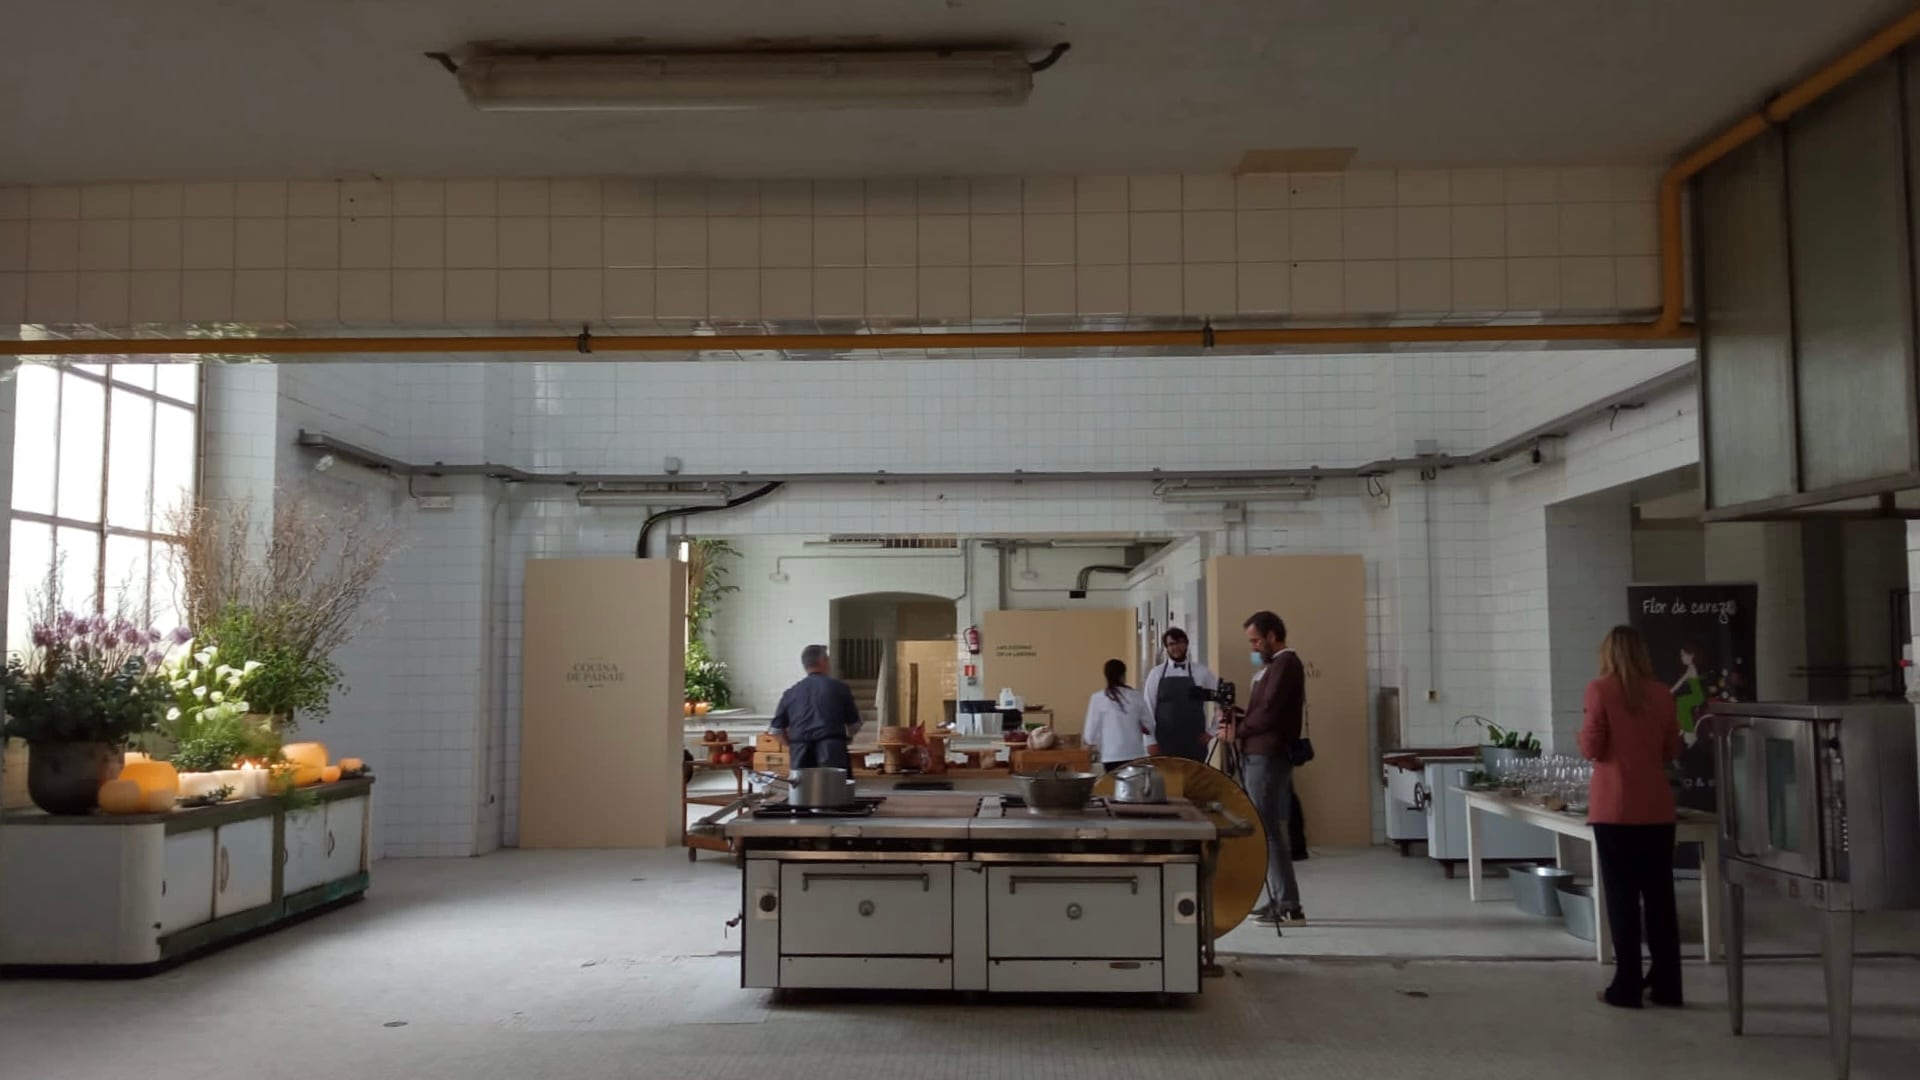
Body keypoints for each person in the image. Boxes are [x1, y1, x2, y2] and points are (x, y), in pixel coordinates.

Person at [1580, 625, 1684, 1009]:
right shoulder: (1661, 694)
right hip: (1657, 807)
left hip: (1614, 808)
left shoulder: (1599, 690)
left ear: (1607, 653)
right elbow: (1671, 748)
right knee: (1660, 898)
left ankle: (1627, 985)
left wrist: (1583, 734)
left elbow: (1592, 747)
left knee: (1623, 900)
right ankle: (1669, 985)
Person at [1224, 610, 1306, 926]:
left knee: (1269, 831)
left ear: (1273, 635)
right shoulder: (1274, 667)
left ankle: (1288, 904)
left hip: (1267, 756)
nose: (1254, 647)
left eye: (1256, 640)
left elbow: (1269, 714)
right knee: (1267, 831)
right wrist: (1238, 718)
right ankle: (1281, 898)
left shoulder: (1286, 664)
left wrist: (1238, 730)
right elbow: (1262, 711)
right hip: (1258, 754)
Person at [768, 645, 863, 771]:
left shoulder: (790, 693)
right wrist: (846, 739)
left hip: (800, 752)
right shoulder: (839, 688)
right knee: (834, 789)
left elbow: (776, 730)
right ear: (823, 661)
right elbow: (854, 725)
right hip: (833, 750)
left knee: (803, 789)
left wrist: (792, 745)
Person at [1141, 627, 1220, 763]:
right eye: (1171, 644)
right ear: (1166, 647)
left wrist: (1212, 731)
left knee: (1193, 783)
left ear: (1186, 644)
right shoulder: (1156, 674)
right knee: (1167, 783)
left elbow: (1221, 699)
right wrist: (1149, 741)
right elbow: (1147, 709)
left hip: (1195, 743)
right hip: (1164, 743)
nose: (1176, 647)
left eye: (1180, 643)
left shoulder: (1201, 672)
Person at [1082, 658, 1158, 771]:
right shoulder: (1136, 696)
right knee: (1134, 787)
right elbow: (1149, 725)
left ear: (1106, 676)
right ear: (1123, 675)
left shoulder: (1098, 698)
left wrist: (1093, 744)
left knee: (1114, 787)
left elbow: (1090, 734)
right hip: (1134, 753)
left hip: (1111, 755)